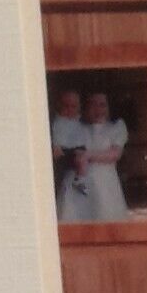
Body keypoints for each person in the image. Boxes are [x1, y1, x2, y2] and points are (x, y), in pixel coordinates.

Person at [81, 89, 130, 221]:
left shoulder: (116, 127)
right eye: (93, 104)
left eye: (102, 105)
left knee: (105, 214)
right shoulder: (81, 128)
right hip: (83, 180)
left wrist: (88, 155)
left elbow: (115, 154)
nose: (98, 109)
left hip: (105, 181)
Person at [51, 86, 91, 223]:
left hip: (83, 168)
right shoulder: (57, 124)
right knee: (69, 206)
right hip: (67, 169)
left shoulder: (82, 125)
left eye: (73, 106)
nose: (69, 110)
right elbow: (57, 150)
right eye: (65, 106)